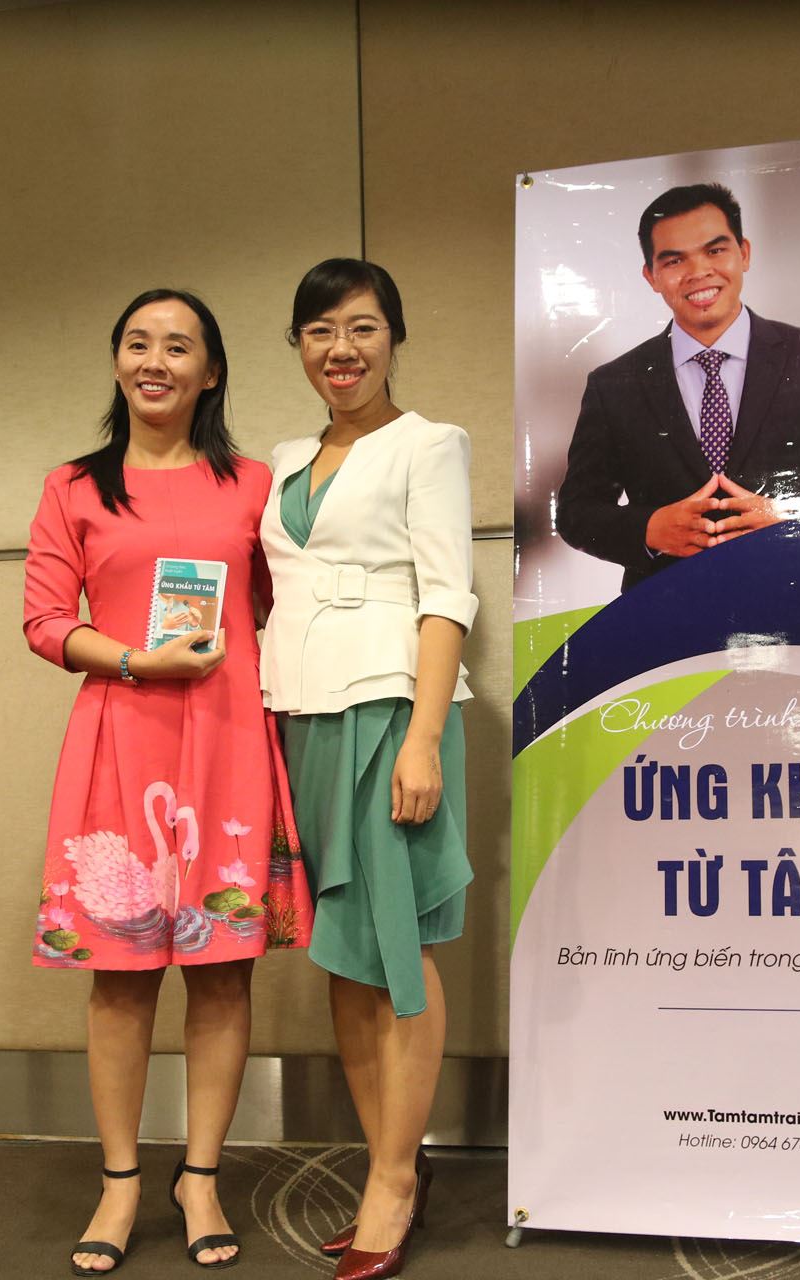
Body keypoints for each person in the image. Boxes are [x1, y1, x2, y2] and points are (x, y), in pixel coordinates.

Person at [24, 288, 312, 1275]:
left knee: (223, 969)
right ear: (117, 361)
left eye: (178, 345)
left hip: (227, 740)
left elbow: (277, 606)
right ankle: (118, 1182)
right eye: (138, 343)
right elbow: (44, 620)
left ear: (211, 370)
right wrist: (137, 660)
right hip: (122, 736)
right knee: (120, 974)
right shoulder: (74, 486)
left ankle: (200, 1176)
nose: (156, 360)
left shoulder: (255, 483)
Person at [260, 259, 476, 1280]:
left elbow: (448, 594)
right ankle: (388, 1157)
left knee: (397, 947)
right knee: (342, 951)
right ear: (298, 346)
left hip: (391, 711)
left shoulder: (429, 443)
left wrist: (425, 737)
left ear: (394, 335)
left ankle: (393, 1181)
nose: (340, 349)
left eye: (361, 327)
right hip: (303, 714)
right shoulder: (283, 458)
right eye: (319, 331)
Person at [554, 182, 800, 592]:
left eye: (715, 250)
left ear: (744, 253)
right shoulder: (613, 385)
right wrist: (649, 528)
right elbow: (576, 512)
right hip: (663, 616)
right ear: (651, 276)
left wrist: (794, 515)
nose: (698, 272)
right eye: (674, 260)